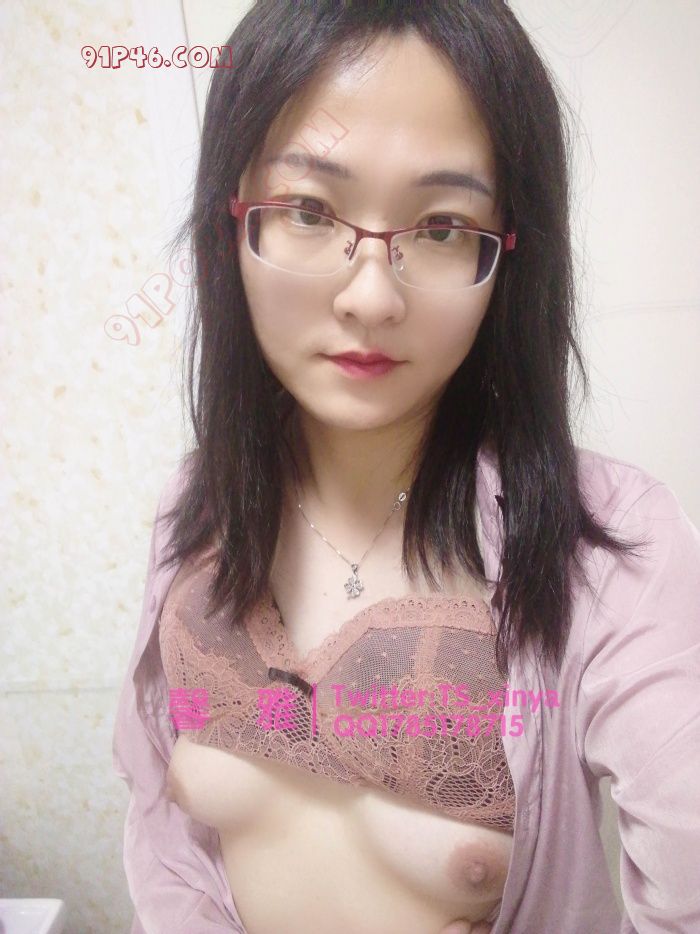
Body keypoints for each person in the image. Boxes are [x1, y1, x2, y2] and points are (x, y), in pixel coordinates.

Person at [112, 2, 700, 932]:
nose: (371, 297)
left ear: (509, 254)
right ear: (233, 221)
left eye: (441, 226)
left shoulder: (609, 543)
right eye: (308, 211)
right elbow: (163, 830)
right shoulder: (196, 509)